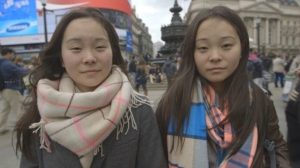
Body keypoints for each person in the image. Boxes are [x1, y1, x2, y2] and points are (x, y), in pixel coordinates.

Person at [14, 8, 166, 168]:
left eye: (100, 47)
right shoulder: (42, 109)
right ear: (61, 58)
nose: (89, 58)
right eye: (76, 49)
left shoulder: (138, 110)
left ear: (112, 53)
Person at [155, 6, 290, 168]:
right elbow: (156, 157)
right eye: (203, 48)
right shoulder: (171, 103)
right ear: (192, 53)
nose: (215, 57)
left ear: (242, 48)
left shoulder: (260, 100)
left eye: (226, 46)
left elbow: (277, 147)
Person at [0, 48, 31, 135]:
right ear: (8, 53)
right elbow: (19, 72)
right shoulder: (7, 63)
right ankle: (25, 127)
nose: (13, 56)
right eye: (12, 54)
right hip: (11, 88)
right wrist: (29, 69)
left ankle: (1, 128)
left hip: (4, 89)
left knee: (4, 110)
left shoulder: (2, 63)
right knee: (19, 108)